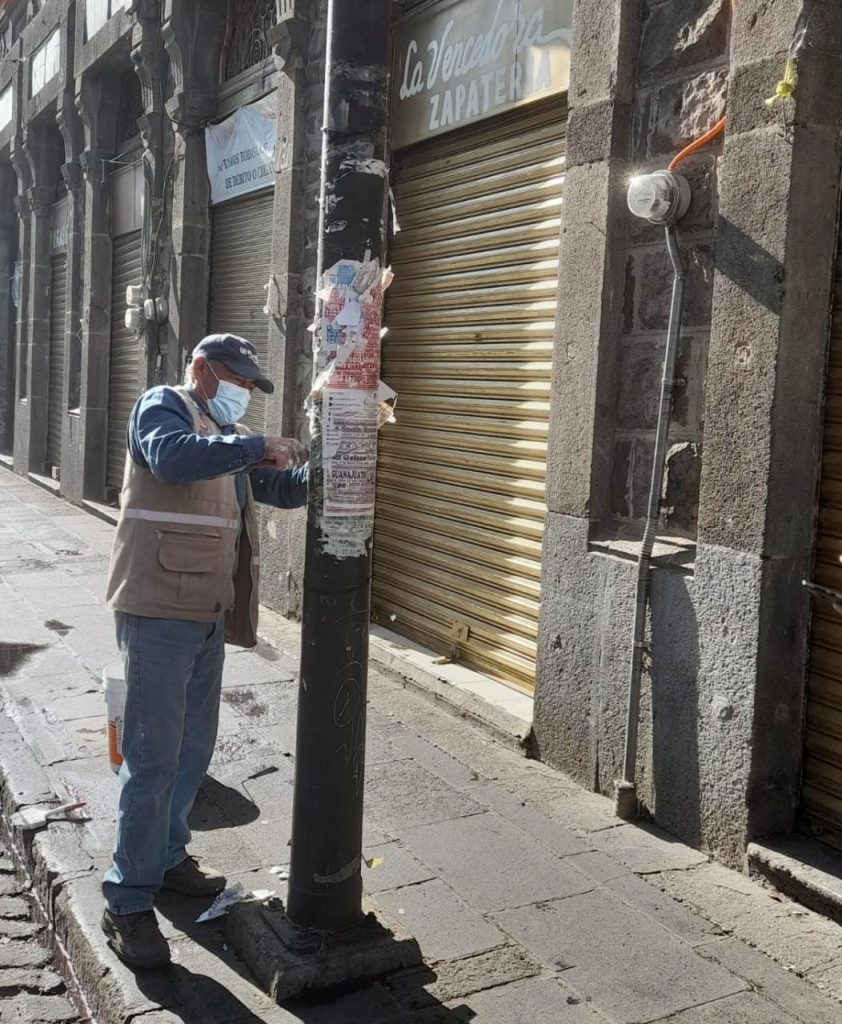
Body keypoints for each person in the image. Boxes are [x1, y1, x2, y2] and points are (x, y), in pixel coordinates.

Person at [100, 334, 308, 969]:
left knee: (192, 748)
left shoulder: (227, 444)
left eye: (249, 383)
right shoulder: (162, 408)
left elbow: (280, 492)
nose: (243, 392)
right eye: (235, 378)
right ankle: (127, 902)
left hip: (207, 613)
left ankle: (166, 858)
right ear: (200, 369)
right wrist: (254, 445)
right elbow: (169, 460)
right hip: (157, 610)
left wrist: (334, 464)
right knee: (152, 757)